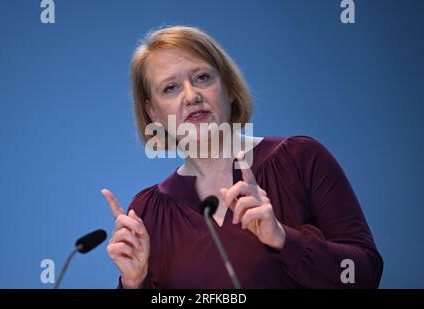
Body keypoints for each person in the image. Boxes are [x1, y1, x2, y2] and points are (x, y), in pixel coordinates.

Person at [101, 26, 383, 288]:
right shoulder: (148, 211)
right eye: (170, 88)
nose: (191, 96)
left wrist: (284, 240)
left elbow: (366, 273)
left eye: (202, 77)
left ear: (230, 90)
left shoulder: (301, 158)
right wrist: (133, 283)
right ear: (153, 114)